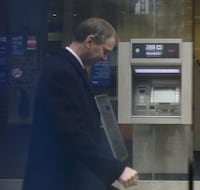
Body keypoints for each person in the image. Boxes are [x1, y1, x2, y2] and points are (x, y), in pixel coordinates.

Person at [23, 17, 138, 190]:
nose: (105, 58)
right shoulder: (61, 70)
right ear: (90, 41)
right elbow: (72, 132)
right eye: (104, 51)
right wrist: (117, 169)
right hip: (57, 176)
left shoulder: (70, 67)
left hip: (72, 174)